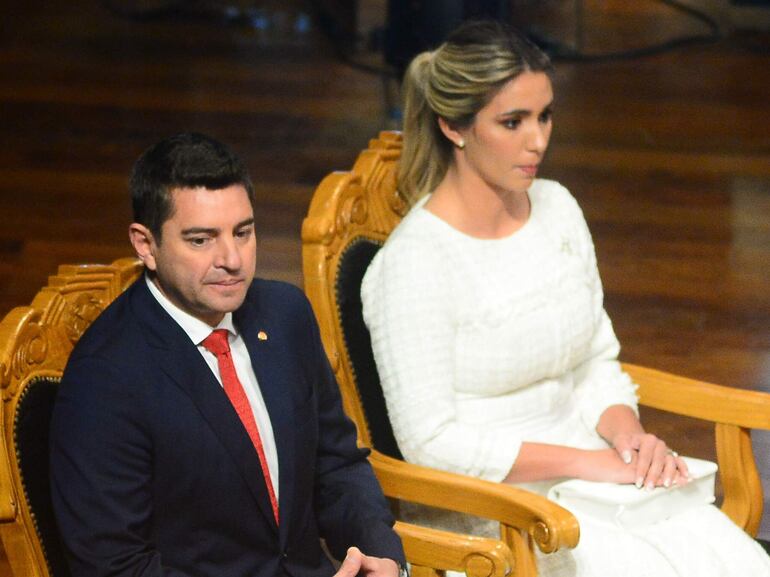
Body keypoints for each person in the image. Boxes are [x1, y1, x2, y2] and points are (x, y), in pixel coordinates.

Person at [360, 20, 770, 577]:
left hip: (601, 483)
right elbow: (430, 442)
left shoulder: (557, 208)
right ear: (454, 126)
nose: (538, 141)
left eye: (545, 115)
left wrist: (629, 438)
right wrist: (590, 464)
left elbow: (595, 360)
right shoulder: (413, 263)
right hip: (495, 515)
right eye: (513, 122)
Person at [50, 132, 405, 577]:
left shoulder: (285, 314)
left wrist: (382, 555)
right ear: (145, 245)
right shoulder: (104, 379)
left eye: (243, 232)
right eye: (201, 240)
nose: (232, 259)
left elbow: (335, 463)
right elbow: (116, 566)